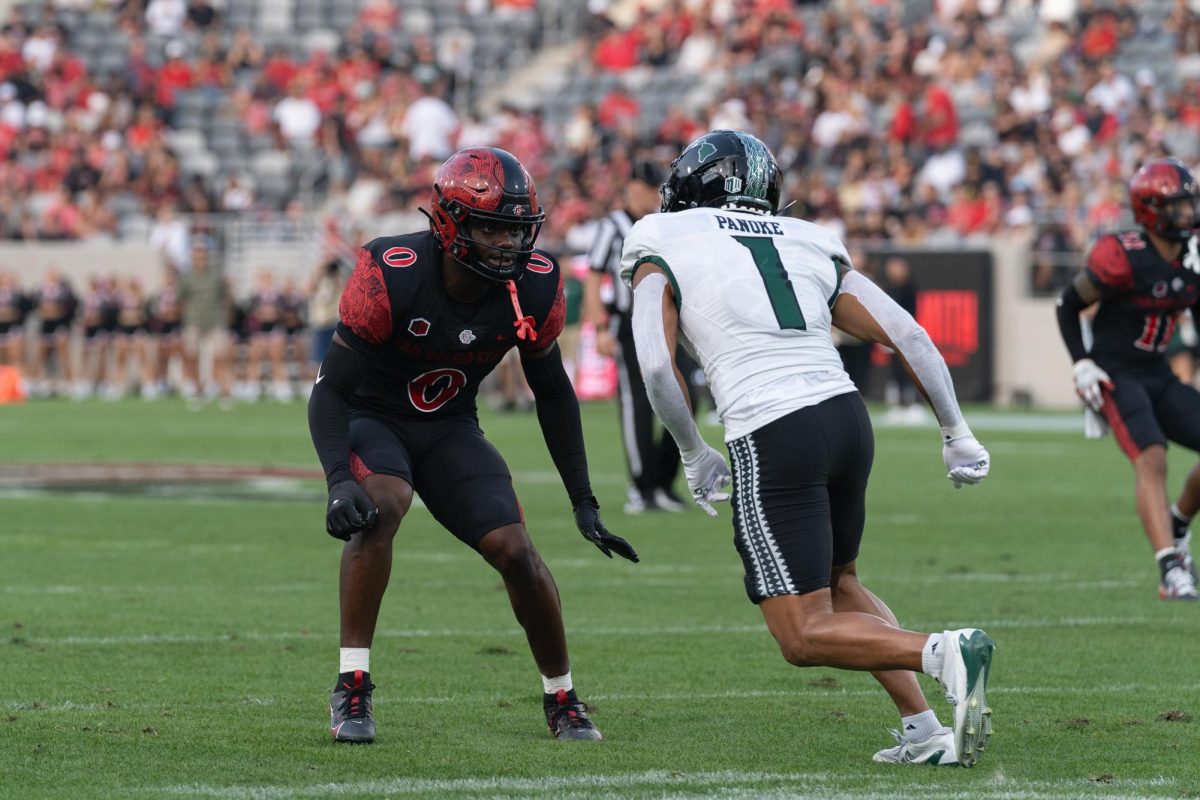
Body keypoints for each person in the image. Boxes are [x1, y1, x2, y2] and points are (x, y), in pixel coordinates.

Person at [621, 130, 995, 767]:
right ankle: (925, 729)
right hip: (847, 418)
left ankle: (943, 651)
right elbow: (908, 333)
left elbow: (656, 365)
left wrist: (690, 450)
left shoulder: (661, 237)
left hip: (774, 428)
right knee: (840, 581)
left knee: (801, 633)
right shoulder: (809, 239)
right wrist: (956, 431)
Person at [307, 146, 637, 745]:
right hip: (373, 418)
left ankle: (561, 694)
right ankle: (352, 685)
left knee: (515, 549)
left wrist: (583, 499)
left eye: (516, 228)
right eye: (490, 226)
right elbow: (330, 392)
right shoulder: (393, 270)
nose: (507, 243)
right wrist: (337, 480)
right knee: (380, 505)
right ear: (450, 221)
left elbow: (554, 392)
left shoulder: (534, 286)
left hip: (451, 426)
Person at [1056, 157, 1200, 601]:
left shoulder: (1192, 254)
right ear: (1152, 210)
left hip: (1157, 370)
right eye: (1177, 207)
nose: (1188, 212)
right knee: (1151, 455)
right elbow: (1067, 304)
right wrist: (1081, 361)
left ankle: (1176, 523)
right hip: (1115, 372)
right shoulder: (1122, 254)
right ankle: (1169, 569)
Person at [583, 159, 694, 513]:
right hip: (628, 321)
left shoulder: (664, 225)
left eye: (655, 188)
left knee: (686, 397)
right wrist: (599, 327)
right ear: (631, 187)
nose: (651, 195)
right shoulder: (613, 226)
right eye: (646, 188)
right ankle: (641, 486)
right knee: (637, 405)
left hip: (668, 320)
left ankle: (663, 481)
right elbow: (593, 276)